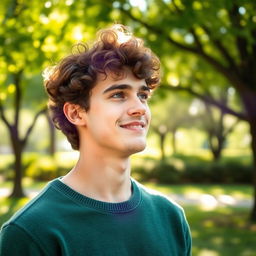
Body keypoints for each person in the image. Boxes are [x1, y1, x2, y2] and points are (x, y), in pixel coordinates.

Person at [0, 24, 191, 255]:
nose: (140, 108)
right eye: (119, 94)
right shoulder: (32, 231)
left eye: (142, 95)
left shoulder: (171, 217)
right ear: (76, 113)